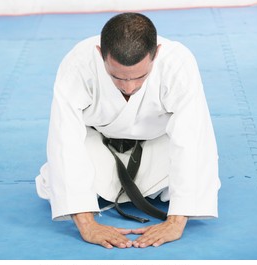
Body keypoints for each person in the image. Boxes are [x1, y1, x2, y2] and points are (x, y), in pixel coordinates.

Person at [36, 12, 220, 249]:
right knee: (54, 178)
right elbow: (65, 138)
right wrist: (86, 223)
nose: (129, 86)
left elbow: (192, 137)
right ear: (100, 53)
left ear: (157, 53)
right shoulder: (78, 64)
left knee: (201, 167)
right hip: (99, 145)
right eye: (116, 76)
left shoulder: (178, 63)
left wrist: (176, 221)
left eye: (140, 76)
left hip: (157, 145)